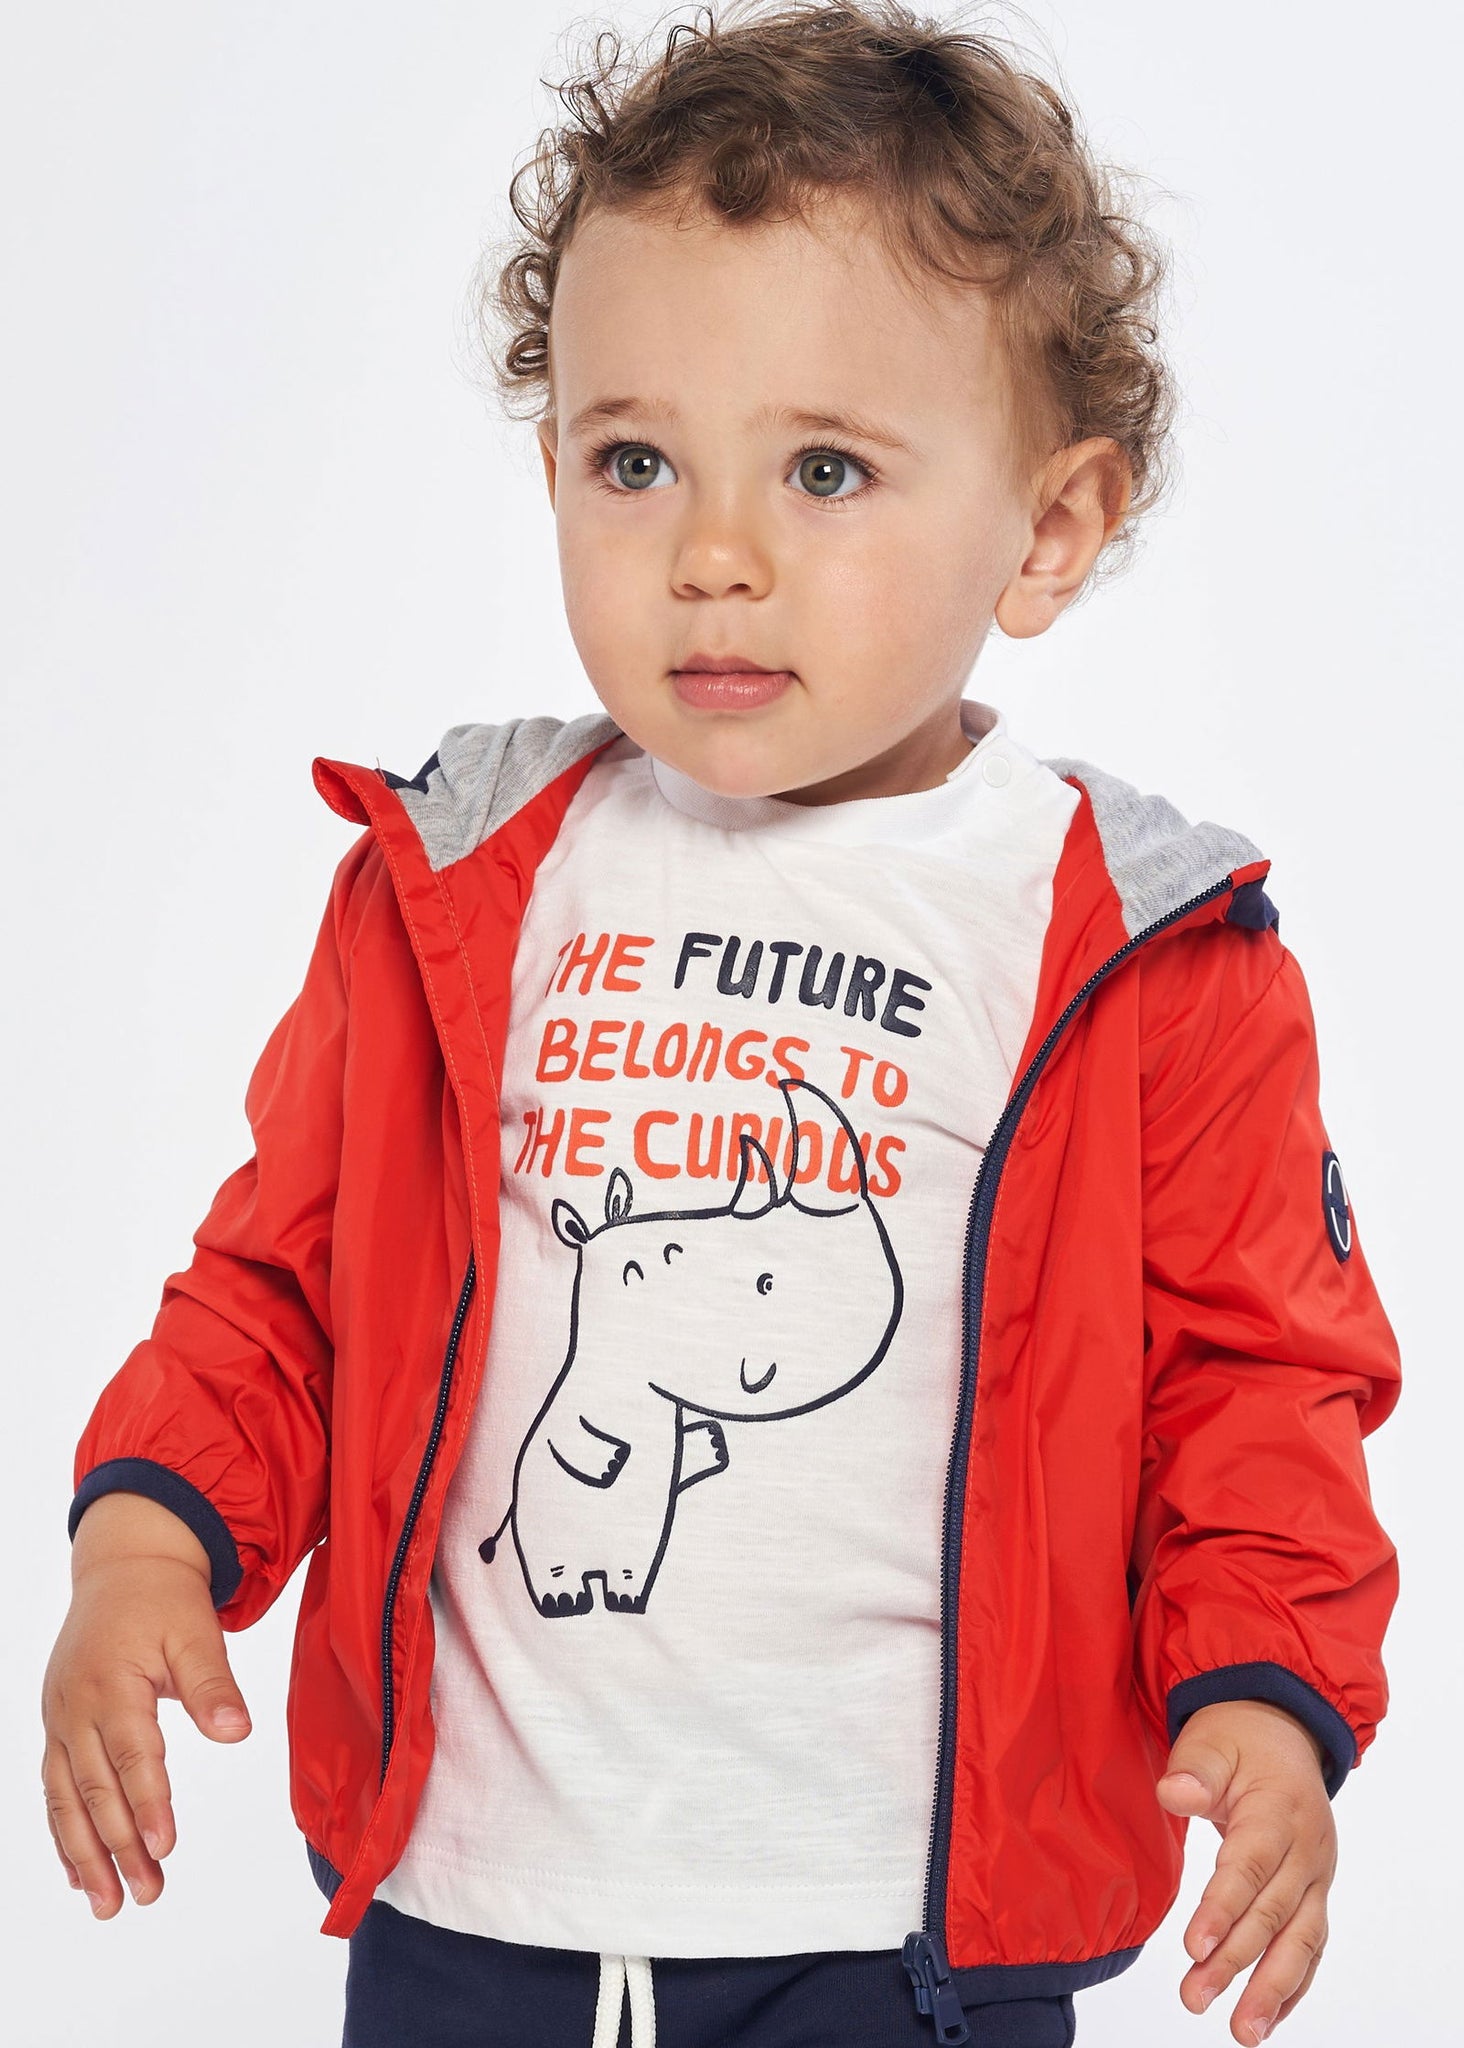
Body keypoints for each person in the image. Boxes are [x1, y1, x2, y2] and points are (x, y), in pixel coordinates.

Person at [41, 5, 1401, 2046]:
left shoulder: (1136, 945)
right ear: (554, 468)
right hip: (472, 1911)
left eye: (826, 470)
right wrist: (148, 1534)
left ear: (1049, 528)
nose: (715, 556)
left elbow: (1254, 1385)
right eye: (636, 461)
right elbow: (280, 1286)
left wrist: (1266, 1694)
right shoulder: (461, 880)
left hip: (893, 1941)